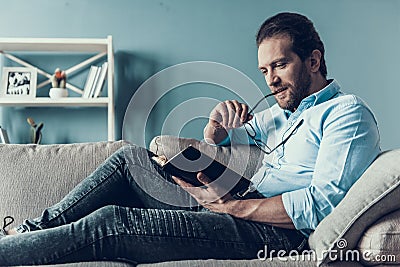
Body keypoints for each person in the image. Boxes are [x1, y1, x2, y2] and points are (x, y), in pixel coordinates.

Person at [0, 12, 380, 265]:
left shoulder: (346, 113)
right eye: (264, 70)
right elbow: (232, 137)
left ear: (313, 61)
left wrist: (231, 205)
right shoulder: (287, 111)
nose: (270, 80)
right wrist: (215, 125)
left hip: (275, 233)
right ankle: (31, 231)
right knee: (131, 159)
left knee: (112, 222)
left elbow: (325, 204)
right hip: (242, 200)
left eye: (280, 66)